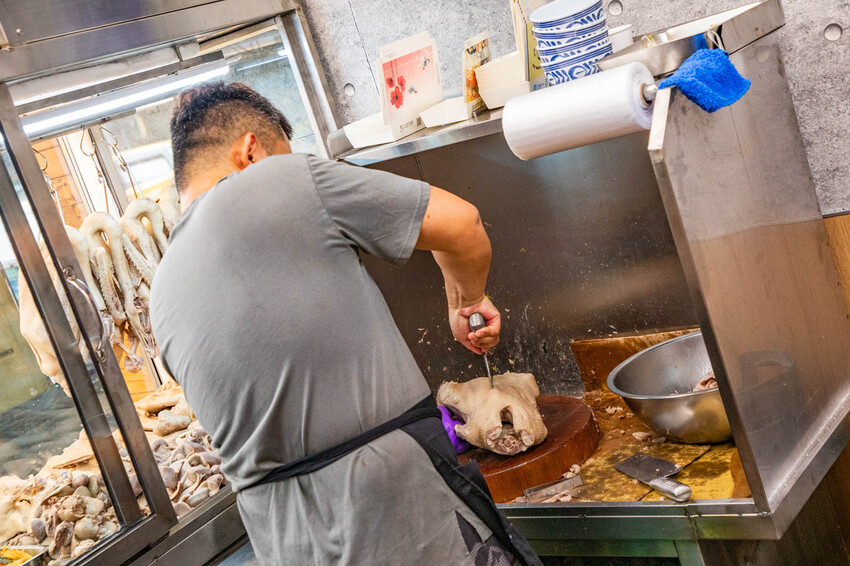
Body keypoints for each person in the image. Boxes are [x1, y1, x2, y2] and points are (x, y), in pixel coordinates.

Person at [151, 82, 541, 566]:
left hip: (283, 537)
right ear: (250, 152)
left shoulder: (161, 291)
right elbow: (461, 224)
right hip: (391, 507)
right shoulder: (280, 179)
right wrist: (470, 299)